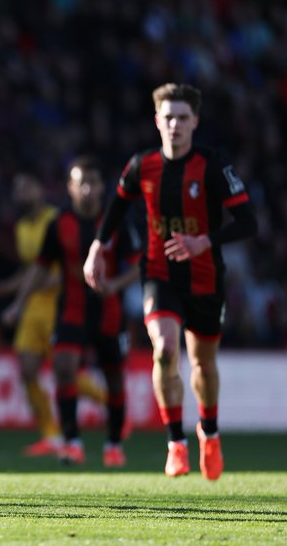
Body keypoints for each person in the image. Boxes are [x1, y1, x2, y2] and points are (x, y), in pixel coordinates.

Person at [83, 83, 257, 480]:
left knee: (202, 364)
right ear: (157, 121)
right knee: (163, 350)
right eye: (168, 117)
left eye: (182, 117)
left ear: (195, 121)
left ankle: (209, 433)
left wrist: (205, 240)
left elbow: (249, 222)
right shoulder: (141, 166)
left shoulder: (213, 166)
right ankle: (175, 442)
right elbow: (116, 207)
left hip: (205, 276)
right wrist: (97, 247)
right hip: (159, 273)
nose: (175, 124)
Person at [3, 156, 140, 467]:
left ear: (103, 186)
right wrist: (19, 304)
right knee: (64, 368)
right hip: (71, 310)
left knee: (114, 378)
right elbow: (39, 269)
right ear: (70, 187)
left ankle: (114, 443)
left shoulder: (116, 220)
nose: (88, 190)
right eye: (82, 184)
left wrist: (115, 284)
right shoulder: (59, 223)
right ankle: (72, 442)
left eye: (94, 183)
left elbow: (138, 264)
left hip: (108, 310)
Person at [0, 172, 108, 457]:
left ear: (41, 189)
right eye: (18, 189)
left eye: (27, 185)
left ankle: (111, 402)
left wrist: (29, 291)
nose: (22, 193)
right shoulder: (21, 228)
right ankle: (51, 433)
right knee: (27, 368)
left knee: (63, 370)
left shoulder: (57, 220)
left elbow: (69, 266)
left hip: (59, 302)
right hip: (33, 306)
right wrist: (7, 290)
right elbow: (32, 269)